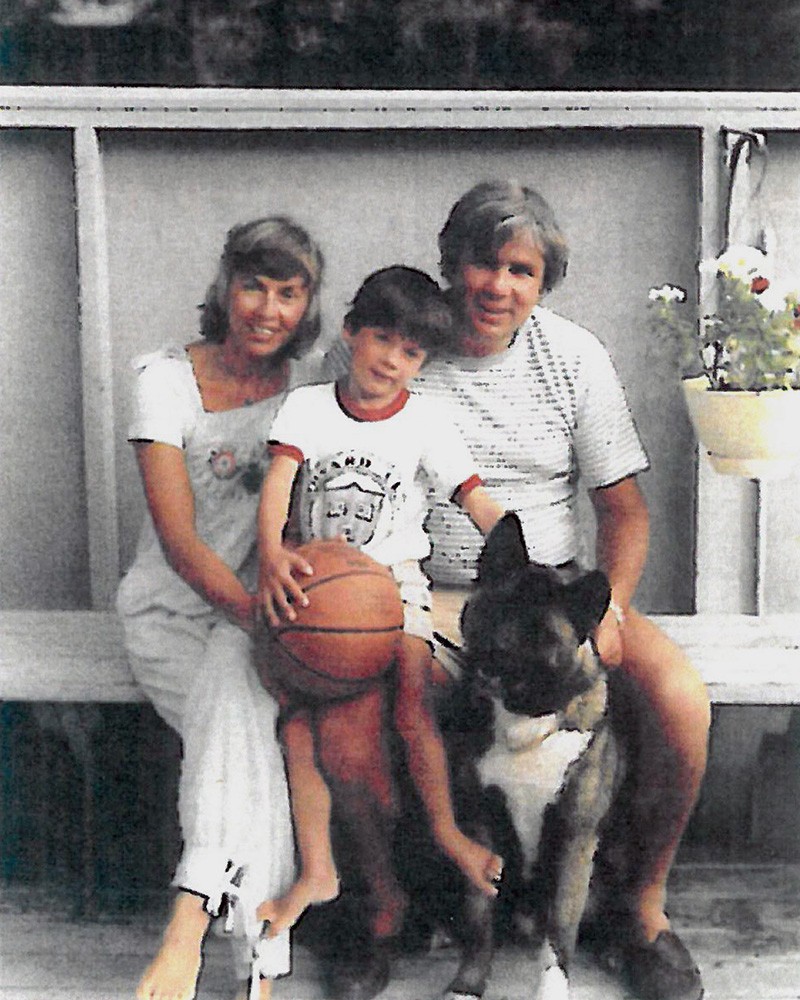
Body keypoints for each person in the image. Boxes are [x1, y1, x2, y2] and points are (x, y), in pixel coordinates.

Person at [411, 180, 710, 1000]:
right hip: (426, 594)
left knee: (682, 698)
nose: (497, 286)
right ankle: (387, 904)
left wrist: (608, 608)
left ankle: (640, 913)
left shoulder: (571, 356)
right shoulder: (399, 344)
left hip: (555, 601)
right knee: (379, 692)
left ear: (543, 283)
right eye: (482, 262)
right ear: (451, 264)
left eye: (521, 270)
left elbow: (625, 511)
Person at [255, 265, 507, 938]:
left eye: (412, 351)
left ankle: (448, 833)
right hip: (318, 592)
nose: (393, 360)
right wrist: (274, 555)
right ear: (351, 333)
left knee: (411, 704)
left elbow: (475, 499)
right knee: (299, 724)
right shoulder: (306, 408)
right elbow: (278, 486)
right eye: (382, 340)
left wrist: (524, 563)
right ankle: (317, 869)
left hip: (395, 587)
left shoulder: (424, 421)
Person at [116, 216, 327, 1000]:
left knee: (236, 718)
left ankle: (195, 931)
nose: (267, 308)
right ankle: (254, 962)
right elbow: (177, 542)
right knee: (246, 728)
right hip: (173, 615)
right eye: (253, 286)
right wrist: (258, 622)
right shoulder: (162, 380)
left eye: (288, 292)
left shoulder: (310, 391)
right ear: (223, 287)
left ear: (307, 305)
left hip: (256, 621)